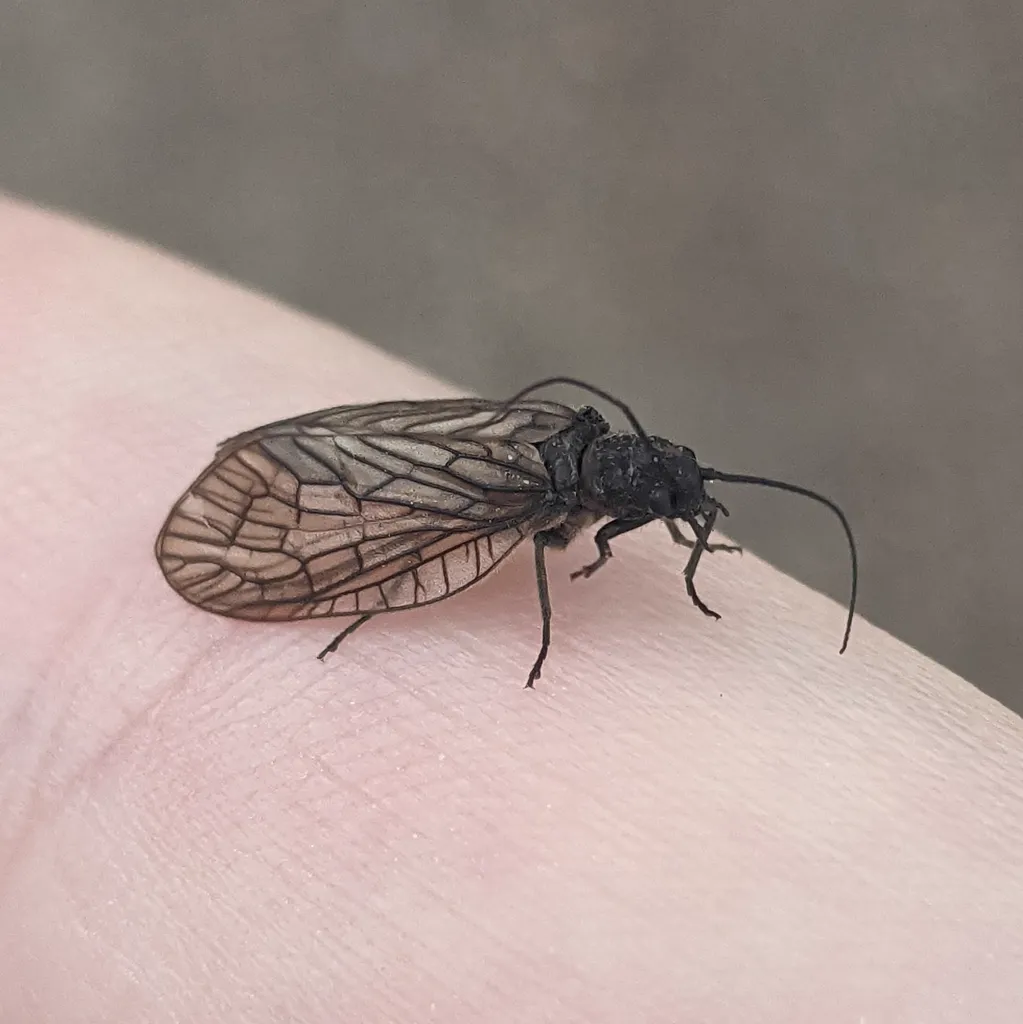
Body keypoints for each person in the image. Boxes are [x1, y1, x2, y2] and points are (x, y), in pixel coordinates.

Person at [2, 197, 1021, 1022]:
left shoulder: (633, 485)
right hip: (434, 500)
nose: (687, 512)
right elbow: (471, 534)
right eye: (676, 500)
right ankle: (325, 560)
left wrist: (695, 540)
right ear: (631, 489)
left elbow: (669, 515)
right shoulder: (556, 500)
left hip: (459, 462)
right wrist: (532, 633)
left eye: (681, 501)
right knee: (408, 542)